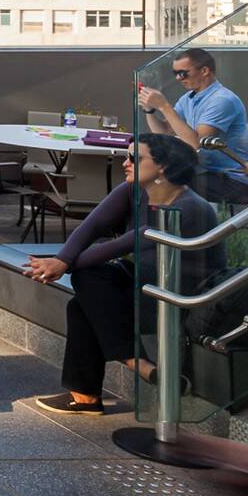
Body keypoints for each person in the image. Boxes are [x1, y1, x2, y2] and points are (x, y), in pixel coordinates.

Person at [24, 134, 226, 420]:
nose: (125, 163)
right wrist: (62, 260)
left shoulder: (189, 207)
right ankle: (107, 381)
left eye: (134, 157)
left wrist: (61, 265)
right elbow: (93, 226)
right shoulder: (134, 190)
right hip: (147, 283)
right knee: (86, 290)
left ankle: (125, 370)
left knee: (84, 297)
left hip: (179, 298)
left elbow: (125, 243)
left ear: (163, 167)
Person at [137, 47, 248, 202]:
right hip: (203, 172)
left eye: (183, 73)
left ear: (205, 71)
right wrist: (150, 110)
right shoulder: (188, 99)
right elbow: (165, 133)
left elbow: (196, 143)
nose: (178, 78)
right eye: (175, 74)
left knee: (160, 180)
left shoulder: (222, 100)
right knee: (149, 177)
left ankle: (176, 224)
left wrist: (164, 106)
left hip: (230, 178)